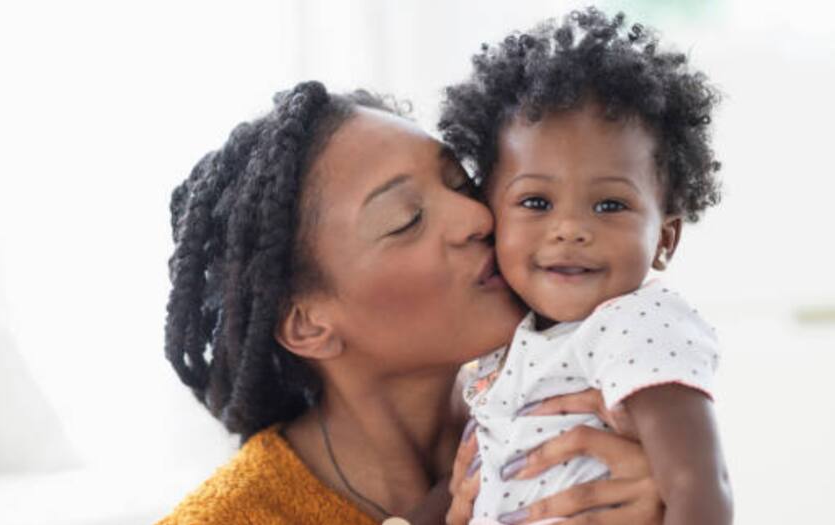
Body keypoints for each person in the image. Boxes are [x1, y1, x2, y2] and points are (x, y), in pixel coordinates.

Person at [158, 81, 665, 524]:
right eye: (406, 220)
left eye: (460, 182)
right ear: (307, 326)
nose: (477, 218)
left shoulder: (585, 418)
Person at [438, 8, 732, 525]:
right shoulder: (502, 348)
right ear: (491, 217)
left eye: (609, 206)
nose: (570, 229)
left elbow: (698, 485)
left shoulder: (637, 325)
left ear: (664, 240)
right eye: (535, 203)